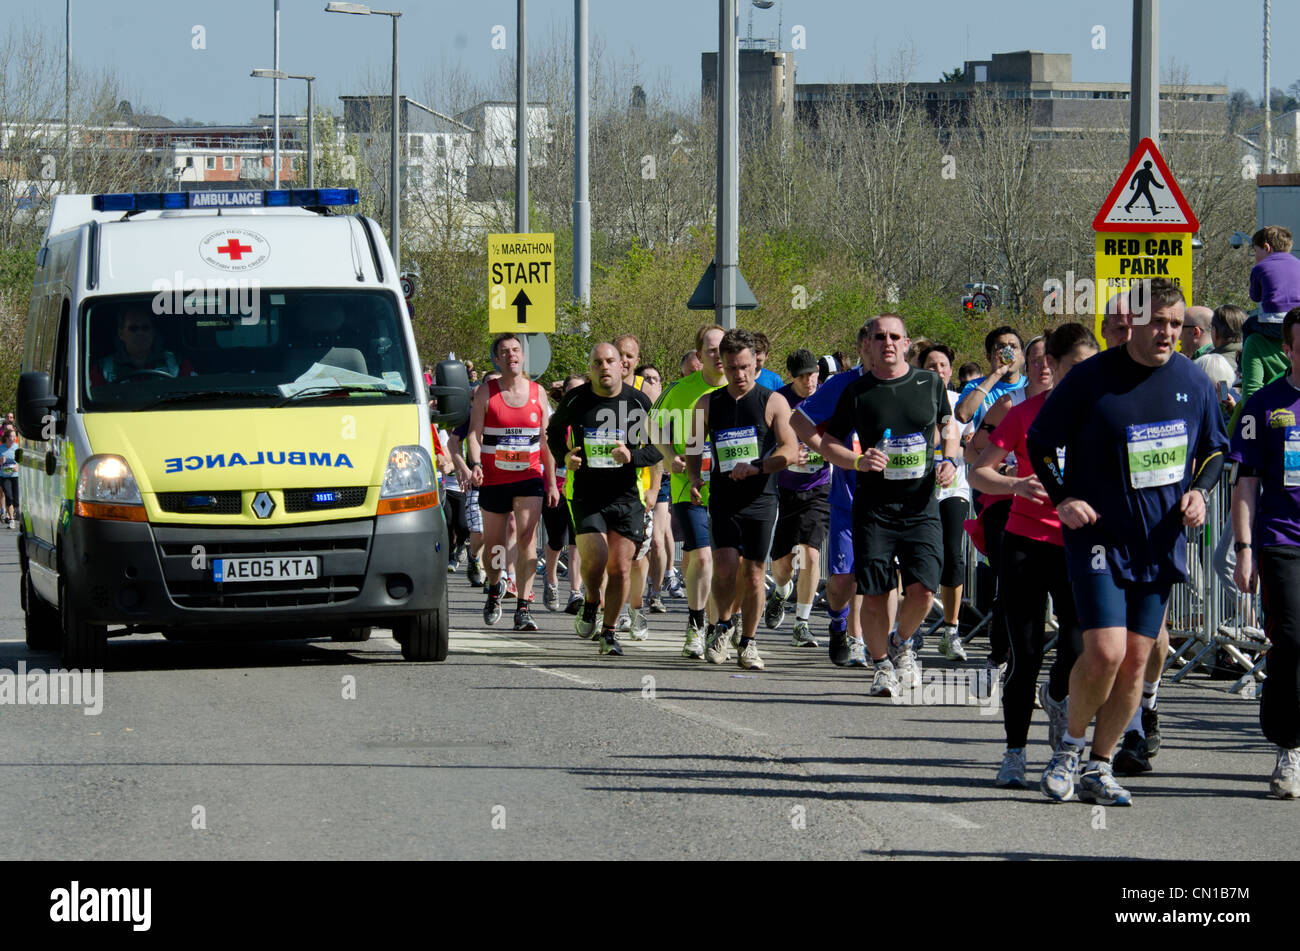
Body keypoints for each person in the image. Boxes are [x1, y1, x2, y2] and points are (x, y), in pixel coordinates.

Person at [1028, 278, 1228, 806]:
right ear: (1133, 322)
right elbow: (1040, 440)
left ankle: (1100, 764)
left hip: (1159, 542)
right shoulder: (1092, 378)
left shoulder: (1192, 380)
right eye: (1157, 322)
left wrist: (1200, 493)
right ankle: (1068, 748)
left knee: (1138, 660)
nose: (1167, 333)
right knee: (1107, 651)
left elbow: (1213, 449)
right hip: (1098, 538)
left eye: (1176, 324)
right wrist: (1063, 497)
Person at [969, 323, 1097, 787]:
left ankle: (1059, 699)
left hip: (1080, 547)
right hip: (1025, 542)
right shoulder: (1024, 414)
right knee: (1024, 655)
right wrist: (1016, 485)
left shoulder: (1103, 414)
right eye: (1044, 361)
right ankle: (1015, 752)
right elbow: (979, 471)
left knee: (1077, 648)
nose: (1047, 368)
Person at [819, 314, 960, 696]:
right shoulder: (857, 391)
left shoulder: (929, 383)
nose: (887, 343)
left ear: (906, 342)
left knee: (923, 590)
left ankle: (901, 642)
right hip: (874, 508)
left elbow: (950, 428)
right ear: (869, 343)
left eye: (895, 336)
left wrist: (949, 459)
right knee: (877, 592)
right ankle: (881, 664)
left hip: (919, 506)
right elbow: (829, 442)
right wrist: (856, 461)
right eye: (879, 336)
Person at [688, 329, 796, 670]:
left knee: (752, 573)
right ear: (723, 365)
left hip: (761, 499)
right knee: (723, 569)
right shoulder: (707, 403)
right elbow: (693, 445)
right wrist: (694, 478)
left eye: (746, 366)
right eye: (733, 367)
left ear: (756, 363)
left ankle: (749, 642)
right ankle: (722, 625)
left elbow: (790, 450)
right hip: (722, 498)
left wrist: (758, 467)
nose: (740, 374)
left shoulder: (773, 401)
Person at [547, 343, 662, 655]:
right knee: (596, 559)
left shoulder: (637, 401)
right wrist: (564, 456)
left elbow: (658, 447)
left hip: (627, 497)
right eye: (597, 362)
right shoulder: (577, 399)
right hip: (586, 494)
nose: (605, 367)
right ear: (591, 368)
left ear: (621, 366)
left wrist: (632, 456)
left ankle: (609, 631)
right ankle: (592, 600)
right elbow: (553, 434)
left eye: (610, 361)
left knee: (621, 568)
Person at [1229, 307, 1300, 798]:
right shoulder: (1263, 406)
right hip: (1282, 540)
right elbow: (1246, 483)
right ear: (1288, 349)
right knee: (1292, 639)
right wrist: (1244, 548)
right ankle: (1288, 745)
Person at [794, 332, 880, 667]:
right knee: (844, 578)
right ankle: (838, 623)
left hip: (891, 499)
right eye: (873, 342)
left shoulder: (907, 381)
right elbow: (799, 419)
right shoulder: (842, 384)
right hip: (848, 496)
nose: (881, 349)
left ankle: (869, 643)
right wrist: (826, 451)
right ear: (861, 347)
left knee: (875, 576)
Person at [466, 334, 560, 631]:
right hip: (494, 478)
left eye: (516, 350)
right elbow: (473, 434)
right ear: (497, 359)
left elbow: (546, 441)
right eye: (505, 351)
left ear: (523, 356)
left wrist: (553, 483)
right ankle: (495, 590)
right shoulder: (486, 392)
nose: (511, 355)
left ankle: (523, 605)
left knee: (526, 540)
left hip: (529, 476)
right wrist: (476, 464)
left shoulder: (538, 392)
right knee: (494, 547)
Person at [653, 325, 727, 658]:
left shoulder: (741, 389)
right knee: (703, 556)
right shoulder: (682, 390)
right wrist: (670, 457)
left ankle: (719, 626)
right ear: (699, 355)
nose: (717, 355)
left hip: (731, 492)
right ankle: (697, 627)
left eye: (722, 348)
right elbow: (652, 425)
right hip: (689, 487)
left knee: (727, 564)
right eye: (710, 350)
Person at [764, 349, 828, 648]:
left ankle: (802, 623)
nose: (809, 380)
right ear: (791, 375)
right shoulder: (776, 401)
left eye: (813, 373)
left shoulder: (827, 398)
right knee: (781, 566)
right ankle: (780, 590)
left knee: (811, 553)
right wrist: (786, 456)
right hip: (784, 489)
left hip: (819, 486)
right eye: (803, 375)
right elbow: (762, 445)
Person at [919, 343, 972, 660]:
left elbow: (973, 447)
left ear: (951, 370)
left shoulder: (961, 404)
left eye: (942, 365)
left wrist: (952, 459)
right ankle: (909, 630)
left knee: (953, 555)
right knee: (919, 560)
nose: (937, 370)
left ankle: (951, 631)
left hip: (954, 488)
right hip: (918, 490)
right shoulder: (910, 398)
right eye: (930, 365)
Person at [611, 334, 661, 639]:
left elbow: (658, 447)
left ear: (636, 360)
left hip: (639, 488)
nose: (624, 360)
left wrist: (655, 488)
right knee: (611, 555)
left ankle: (636, 608)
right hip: (606, 487)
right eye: (619, 354)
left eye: (630, 356)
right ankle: (610, 612)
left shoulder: (648, 395)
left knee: (639, 555)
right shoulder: (602, 389)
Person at [542, 374, 586, 613]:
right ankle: (551, 581)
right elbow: (548, 453)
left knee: (577, 540)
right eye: (572, 390)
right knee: (557, 539)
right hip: (557, 485)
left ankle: (575, 591)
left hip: (580, 488)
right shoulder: (555, 420)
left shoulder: (591, 419)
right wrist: (550, 484)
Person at [637, 363, 675, 614]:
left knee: (657, 541)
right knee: (637, 543)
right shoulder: (629, 407)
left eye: (655, 378)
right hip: (634, 482)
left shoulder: (668, 412)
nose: (651, 382)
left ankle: (656, 592)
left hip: (660, 481)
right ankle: (633, 595)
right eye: (645, 378)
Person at [90, 308, 197, 385]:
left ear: (153, 332)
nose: (140, 333)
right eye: (133, 328)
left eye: (145, 328)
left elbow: (193, 394)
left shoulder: (177, 363)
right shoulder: (102, 369)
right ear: (121, 334)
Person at [954, 326, 1026, 427]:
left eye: (1013, 346)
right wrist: (996, 374)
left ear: (1022, 355)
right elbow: (962, 415)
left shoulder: (1031, 385)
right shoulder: (976, 386)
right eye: (1001, 347)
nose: (1008, 352)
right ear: (989, 356)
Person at [0, 426, 18, 527]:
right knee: (8, 496)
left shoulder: (17, 447)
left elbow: (22, 460)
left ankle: (13, 511)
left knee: (16, 499)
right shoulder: (1, 448)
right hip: (4, 476)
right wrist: (0, 461)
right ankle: (11, 519)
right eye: (12, 436)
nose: (14, 438)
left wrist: (18, 466)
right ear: (7, 438)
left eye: (15, 436)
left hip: (15, 475)